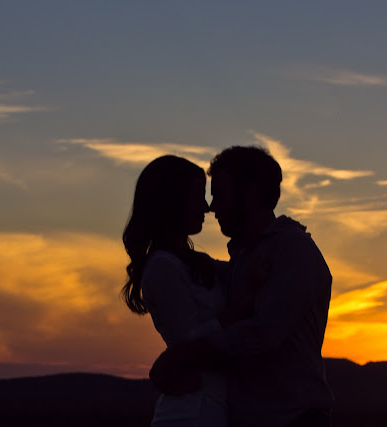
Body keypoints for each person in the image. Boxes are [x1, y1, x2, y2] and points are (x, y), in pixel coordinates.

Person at [149, 146, 335, 427]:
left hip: (292, 420)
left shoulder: (293, 250)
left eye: (220, 194)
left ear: (250, 194)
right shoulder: (245, 258)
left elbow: (262, 333)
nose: (212, 207)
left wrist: (182, 355)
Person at [121, 155, 230, 426]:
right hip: (191, 410)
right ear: (173, 200)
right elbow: (191, 340)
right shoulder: (162, 267)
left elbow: (242, 270)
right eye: (198, 197)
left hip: (209, 405)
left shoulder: (191, 263)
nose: (205, 208)